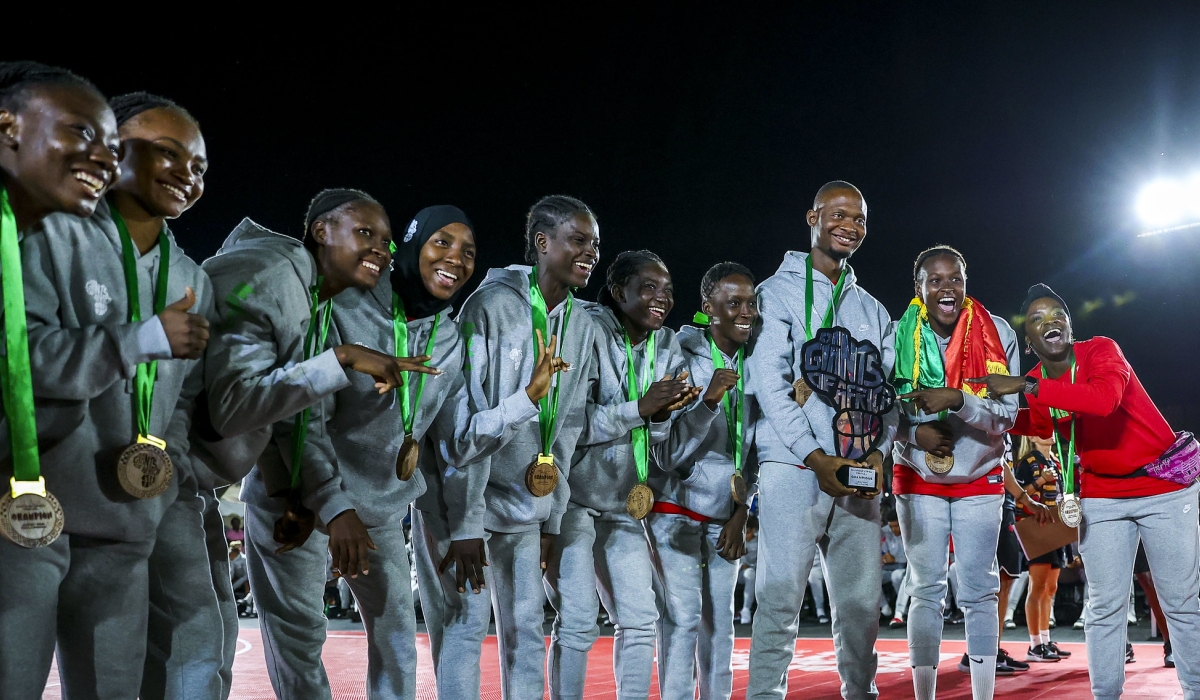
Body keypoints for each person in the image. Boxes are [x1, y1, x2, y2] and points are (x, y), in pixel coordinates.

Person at [203, 189, 434, 699]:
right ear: (322, 231)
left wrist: (299, 492)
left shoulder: (312, 300)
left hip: (260, 489)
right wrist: (344, 358)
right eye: (365, 233)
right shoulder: (276, 278)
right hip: (181, 476)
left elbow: (283, 414)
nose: (380, 248)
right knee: (204, 649)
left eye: (387, 242)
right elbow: (237, 406)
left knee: (207, 646)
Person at [973, 283, 1200, 700]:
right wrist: (982, 414)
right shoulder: (1038, 380)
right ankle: (1105, 695)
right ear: (1030, 341)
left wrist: (1025, 387)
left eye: (1057, 313)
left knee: (1181, 601)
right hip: (1101, 496)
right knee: (1104, 606)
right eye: (1038, 319)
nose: (1050, 320)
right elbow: (1041, 425)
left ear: (1070, 324)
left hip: (1163, 487)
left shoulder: (1100, 351)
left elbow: (1104, 400)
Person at [443, 195, 603, 699]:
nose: (590, 253)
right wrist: (465, 524)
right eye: (578, 241)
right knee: (467, 630)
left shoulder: (582, 323)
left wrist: (551, 519)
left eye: (595, 245)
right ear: (542, 242)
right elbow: (463, 425)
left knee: (527, 634)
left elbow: (570, 428)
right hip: (473, 506)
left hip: (529, 511)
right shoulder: (489, 306)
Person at [0, 61, 126, 700]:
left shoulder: (23, 239)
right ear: (8, 127)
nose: (106, 159)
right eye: (82, 133)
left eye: (113, 146)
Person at [746, 181, 897, 700]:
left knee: (859, 607)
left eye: (858, 218)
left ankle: (862, 692)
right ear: (812, 217)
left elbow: (889, 395)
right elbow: (770, 385)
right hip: (793, 467)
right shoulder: (776, 292)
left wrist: (879, 454)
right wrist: (815, 457)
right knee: (780, 597)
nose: (849, 225)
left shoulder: (873, 309)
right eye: (837, 214)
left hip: (857, 472)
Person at [547, 249, 700, 700]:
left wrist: (659, 417)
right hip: (571, 500)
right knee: (575, 621)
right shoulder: (586, 330)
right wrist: (640, 408)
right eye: (649, 288)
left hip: (624, 504)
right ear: (619, 291)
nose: (662, 298)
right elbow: (567, 423)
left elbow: (654, 436)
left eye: (668, 290)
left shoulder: (667, 345)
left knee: (640, 618)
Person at [889, 245, 1038, 699]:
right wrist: (916, 437)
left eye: (954, 278)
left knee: (978, 590)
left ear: (965, 282)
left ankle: (983, 694)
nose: (946, 288)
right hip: (918, 477)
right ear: (919, 288)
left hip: (979, 476)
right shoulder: (896, 334)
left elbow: (1007, 415)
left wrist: (959, 400)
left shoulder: (998, 333)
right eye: (934, 280)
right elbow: (883, 407)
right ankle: (924, 694)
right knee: (926, 589)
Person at [646, 261, 759, 700]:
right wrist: (709, 401)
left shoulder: (758, 364)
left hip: (725, 514)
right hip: (674, 509)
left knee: (721, 624)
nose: (746, 311)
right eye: (734, 303)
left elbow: (758, 449)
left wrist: (742, 509)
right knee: (682, 619)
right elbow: (667, 452)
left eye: (751, 302)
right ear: (708, 309)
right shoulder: (677, 354)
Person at [1012, 435, 1071, 662]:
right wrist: (1040, 481)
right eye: (1043, 430)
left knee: (1051, 587)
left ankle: (1046, 640)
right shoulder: (1027, 462)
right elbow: (1018, 496)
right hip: (1036, 526)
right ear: (1032, 437)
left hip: (1055, 524)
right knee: (1037, 588)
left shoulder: (1056, 462)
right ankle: (1035, 644)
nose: (1050, 434)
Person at [879, 508, 908, 626]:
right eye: (891, 526)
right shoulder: (885, 532)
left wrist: (895, 559)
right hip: (889, 568)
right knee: (872, 576)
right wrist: (883, 557)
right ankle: (884, 606)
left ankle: (901, 612)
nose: (894, 529)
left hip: (906, 569)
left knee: (897, 576)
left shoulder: (910, 532)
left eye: (897, 526)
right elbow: (883, 551)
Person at [738, 515, 760, 624]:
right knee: (749, 573)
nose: (745, 535)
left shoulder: (760, 542)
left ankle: (746, 609)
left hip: (755, 573)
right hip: (738, 574)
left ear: (754, 530)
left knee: (751, 573)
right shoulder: (737, 539)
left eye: (747, 532)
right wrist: (741, 565)